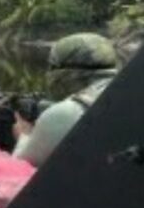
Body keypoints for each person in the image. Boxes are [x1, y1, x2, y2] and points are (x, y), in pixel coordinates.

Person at [13, 32, 119, 167]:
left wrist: (24, 135)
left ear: (63, 73)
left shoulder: (66, 112)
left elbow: (23, 169)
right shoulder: (128, 92)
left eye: (52, 67)